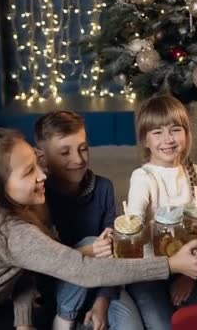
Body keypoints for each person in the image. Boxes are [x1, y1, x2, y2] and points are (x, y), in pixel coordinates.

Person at [0, 128, 197, 330]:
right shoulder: (10, 233)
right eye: (28, 172)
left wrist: (23, 320)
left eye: (36, 164)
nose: (43, 174)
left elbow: (18, 272)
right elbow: (84, 271)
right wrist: (170, 263)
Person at [34, 111, 143, 330]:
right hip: (60, 286)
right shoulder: (38, 196)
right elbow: (44, 263)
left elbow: (113, 252)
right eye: (65, 152)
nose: (78, 159)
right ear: (42, 158)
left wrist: (102, 301)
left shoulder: (103, 188)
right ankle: (64, 320)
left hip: (104, 280)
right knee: (91, 242)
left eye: (83, 148)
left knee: (131, 326)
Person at [126, 95, 197, 330]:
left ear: (186, 134)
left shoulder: (195, 172)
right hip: (149, 271)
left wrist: (188, 276)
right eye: (157, 132)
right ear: (145, 140)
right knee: (164, 326)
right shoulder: (144, 177)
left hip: (188, 268)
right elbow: (134, 228)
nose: (168, 139)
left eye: (175, 130)